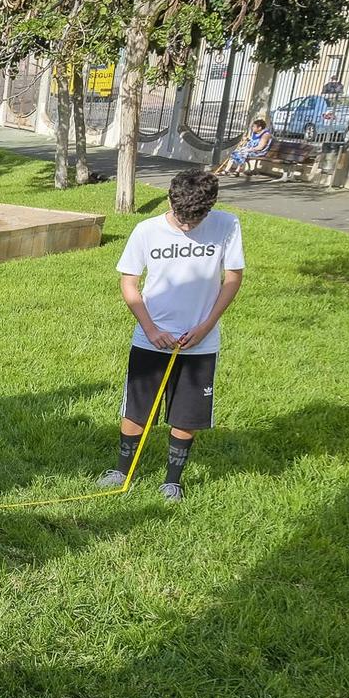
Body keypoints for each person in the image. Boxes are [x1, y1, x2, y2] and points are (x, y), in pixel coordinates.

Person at [98, 168, 244, 501]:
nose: (187, 226)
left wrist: (206, 325)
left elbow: (233, 278)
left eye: (196, 220)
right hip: (151, 338)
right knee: (137, 408)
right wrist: (149, 327)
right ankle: (122, 470)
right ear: (170, 200)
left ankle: (173, 480)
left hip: (199, 343)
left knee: (186, 413)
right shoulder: (146, 230)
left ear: (209, 208)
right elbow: (129, 281)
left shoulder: (227, 225)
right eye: (181, 218)